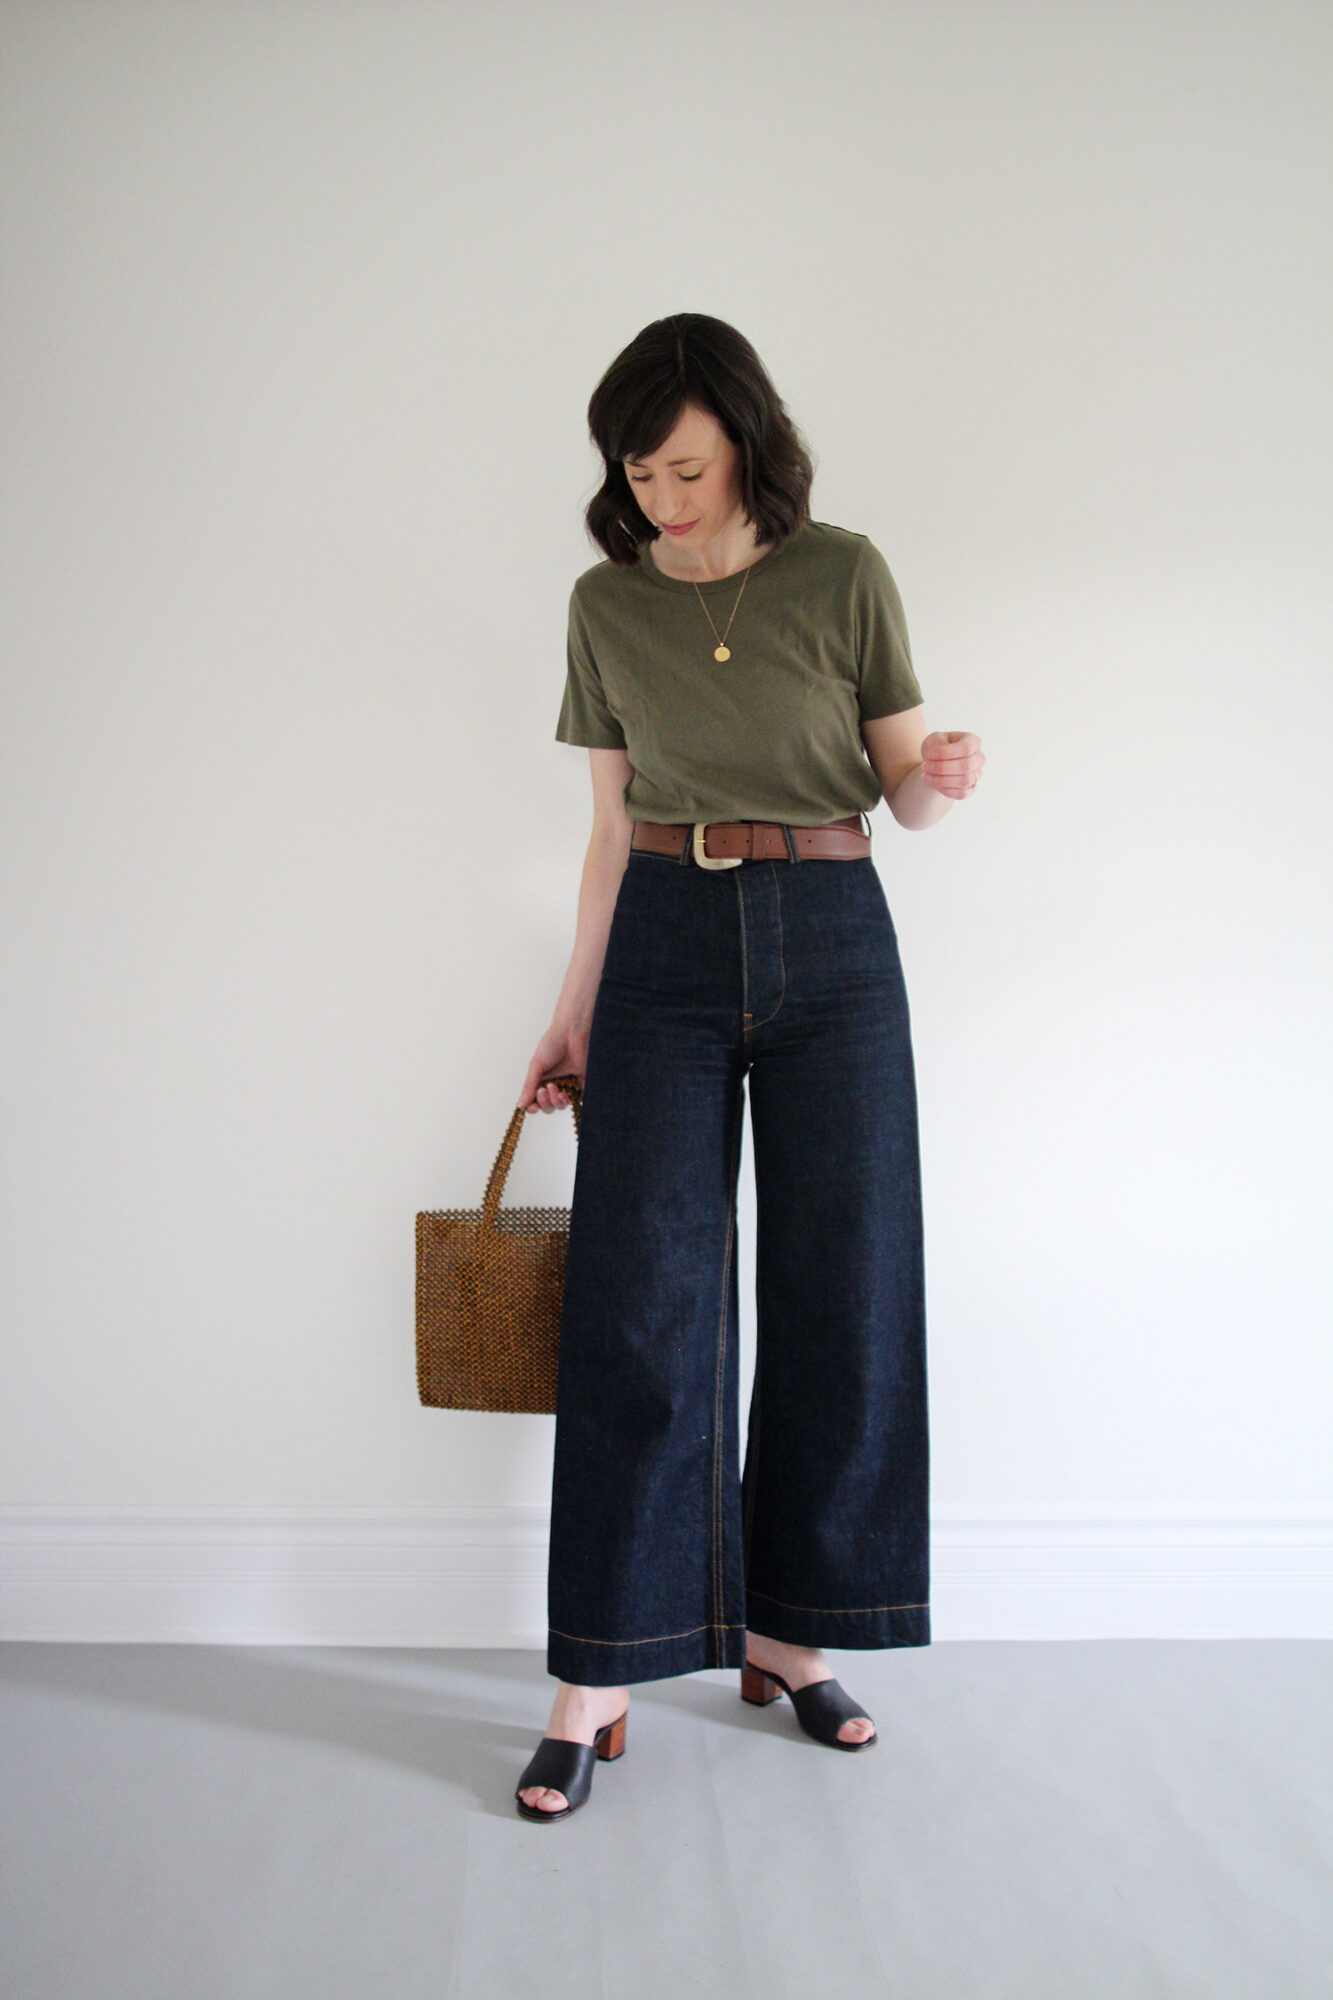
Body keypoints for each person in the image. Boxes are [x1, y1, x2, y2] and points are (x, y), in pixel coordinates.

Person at [513, 313, 984, 1822]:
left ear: (748, 447)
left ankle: (790, 1638)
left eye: (690, 467)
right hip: (657, 939)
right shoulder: (604, 604)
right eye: (641, 472)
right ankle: (598, 1670)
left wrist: (936, 778)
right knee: (641, 1305)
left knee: (845, 1291)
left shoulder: (842, 571)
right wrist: (571, 1009)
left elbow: (902, 789)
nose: (666, 496)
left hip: (836, 932)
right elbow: (603, 832)